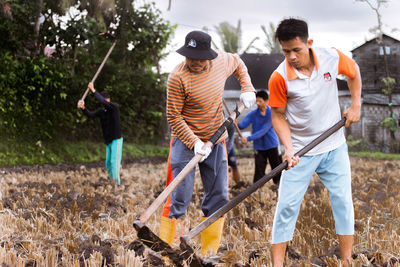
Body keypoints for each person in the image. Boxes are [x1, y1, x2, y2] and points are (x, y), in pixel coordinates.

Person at [268, 18, 362, 267]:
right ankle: (277, 263)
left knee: (342, 200)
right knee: (287, 205)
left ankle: (346, 259)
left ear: (309, 43)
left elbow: (354, 72)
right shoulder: (279, 77)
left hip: (333, 145)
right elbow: (277, 115)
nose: (291, 57)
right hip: (300, 150)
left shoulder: (331, 57)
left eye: (296, 50)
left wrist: (356, 105)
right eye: (286, 51)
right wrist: (288, 149)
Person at [159, 30, 256, 256]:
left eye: (199, 57)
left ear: (209, 55)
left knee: (219, 194)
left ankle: (209, 253)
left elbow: (239, 64)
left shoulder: (222, 61)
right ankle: (166, 250)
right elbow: (173, 117)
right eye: (189, 56)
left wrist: (248, 87)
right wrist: (193, 142)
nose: (193, 62)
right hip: (185, 141)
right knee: (178, 195)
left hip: (216, 138)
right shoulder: (177, 78)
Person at [77, 82, 123, 185]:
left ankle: (117, 185)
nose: (102, 103)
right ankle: (112, 182)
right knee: (108, 164)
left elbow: (103, 101)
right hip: (108, 140)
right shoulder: (101, 111)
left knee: (114, 162)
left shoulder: (114, 107)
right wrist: (83, 107)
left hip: (116, 139)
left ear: (108, 100)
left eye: (104, 101)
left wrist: (93, 90)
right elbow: (90, 114)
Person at [238, 90, 282, 185]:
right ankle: (257, 188)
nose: (257, 103)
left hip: (272, 144)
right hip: (259, 146)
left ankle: (279, 186)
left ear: (266, 101)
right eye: (256, 101)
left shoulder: (272, 113)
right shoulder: (253, 114)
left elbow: (263, 131)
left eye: (260, 101)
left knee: (277, 167)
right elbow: (242, 125)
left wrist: (248, 138)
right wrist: (235, 123)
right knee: (259, 169)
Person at [226, 117, 241, 185]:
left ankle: (238, 183)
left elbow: (231, 138)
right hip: (217, 148)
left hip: (228, 147)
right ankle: (224, 186)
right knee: (221, 168)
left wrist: (227, 151)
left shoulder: (229, 124)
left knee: (234, 165)